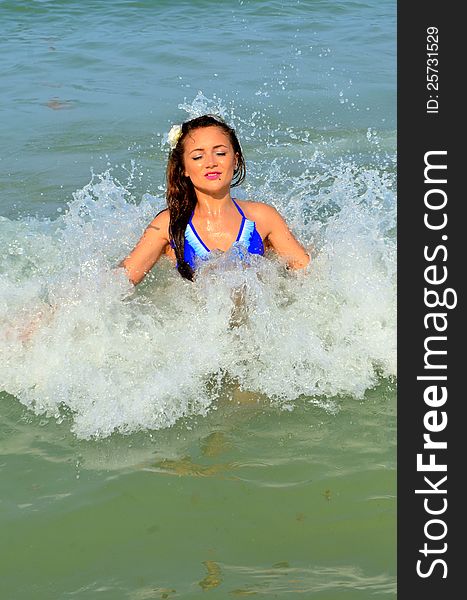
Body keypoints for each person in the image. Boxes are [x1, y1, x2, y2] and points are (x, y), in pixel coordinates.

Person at [120, 114, 310, 285]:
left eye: (220, 153)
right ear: (184, 168)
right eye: (197, 157)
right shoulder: (168, 224)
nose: (211, 163)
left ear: (235, 160)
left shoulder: (263, 217)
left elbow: (309, 276)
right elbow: (119, 283)